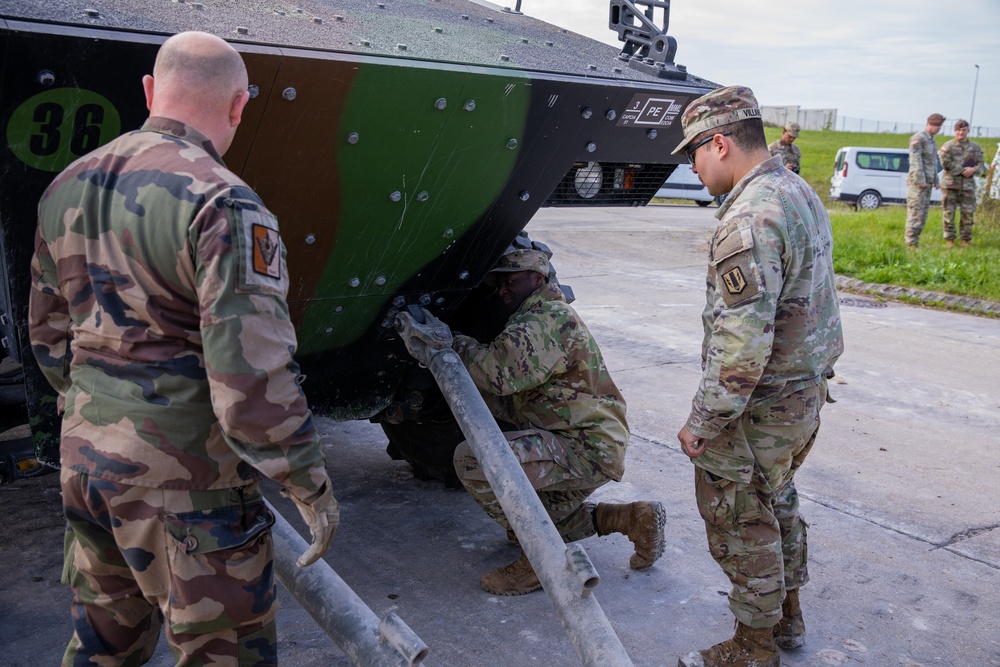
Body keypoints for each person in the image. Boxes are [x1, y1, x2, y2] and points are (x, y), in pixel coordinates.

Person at [29, 31, 339, 666]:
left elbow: (48, 335)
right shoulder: (224, 201)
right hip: (187, 489)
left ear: (149, 91)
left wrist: (96, 415)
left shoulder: (66, 185)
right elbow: (250, 375)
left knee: (101, 646)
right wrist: (308, 481)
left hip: (86, 467)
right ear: (238, 106)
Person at [671, 86, 844, 667]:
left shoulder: (747, 219)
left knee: (739, 519)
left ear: (720, 143)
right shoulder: (797, 191)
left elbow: (741, 343)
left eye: (692, 153)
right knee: (777, 502)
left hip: (758, 407)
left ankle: (754, 647)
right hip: (803, 394)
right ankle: (788, 618)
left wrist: (703, 421)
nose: (692, 168)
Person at [416, 249, 665, 596]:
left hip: (583, 446)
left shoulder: (543, 320)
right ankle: (631, 518)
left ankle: (538, 560)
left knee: (474, 459)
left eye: (510, 281)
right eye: (499, 283)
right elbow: (510, 398)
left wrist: (451, 343)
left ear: (538, 279)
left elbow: (496, 373)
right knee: (530, 518)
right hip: (587, 443)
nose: (502, 290)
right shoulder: (537, 319)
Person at [939, 119, 985, 247]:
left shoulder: (975, 148)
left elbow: (981, 164)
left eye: (963, 130)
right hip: (950, 185)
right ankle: (949, 240)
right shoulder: (948, 146)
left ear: (968, 131)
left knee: (968, 213)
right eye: (958, 130)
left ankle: (965, 240)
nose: (961, 133)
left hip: (968, 187)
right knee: (949, 213)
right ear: (955, 131)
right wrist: (962, 170)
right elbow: (945, 163)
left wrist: (973, 170)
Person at [905, 113, 945, 248]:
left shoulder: (931, 141)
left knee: (923, 214)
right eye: (938, 125)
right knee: (915, 212)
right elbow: (915, 160)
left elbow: (932, 162)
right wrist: (919, 180)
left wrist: (936, 180)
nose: (939, 129)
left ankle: (916, 241)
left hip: (927, 183)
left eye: (940, 126)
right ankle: (910, 243)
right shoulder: (918, 139)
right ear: (930, 124)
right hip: (917, 184)